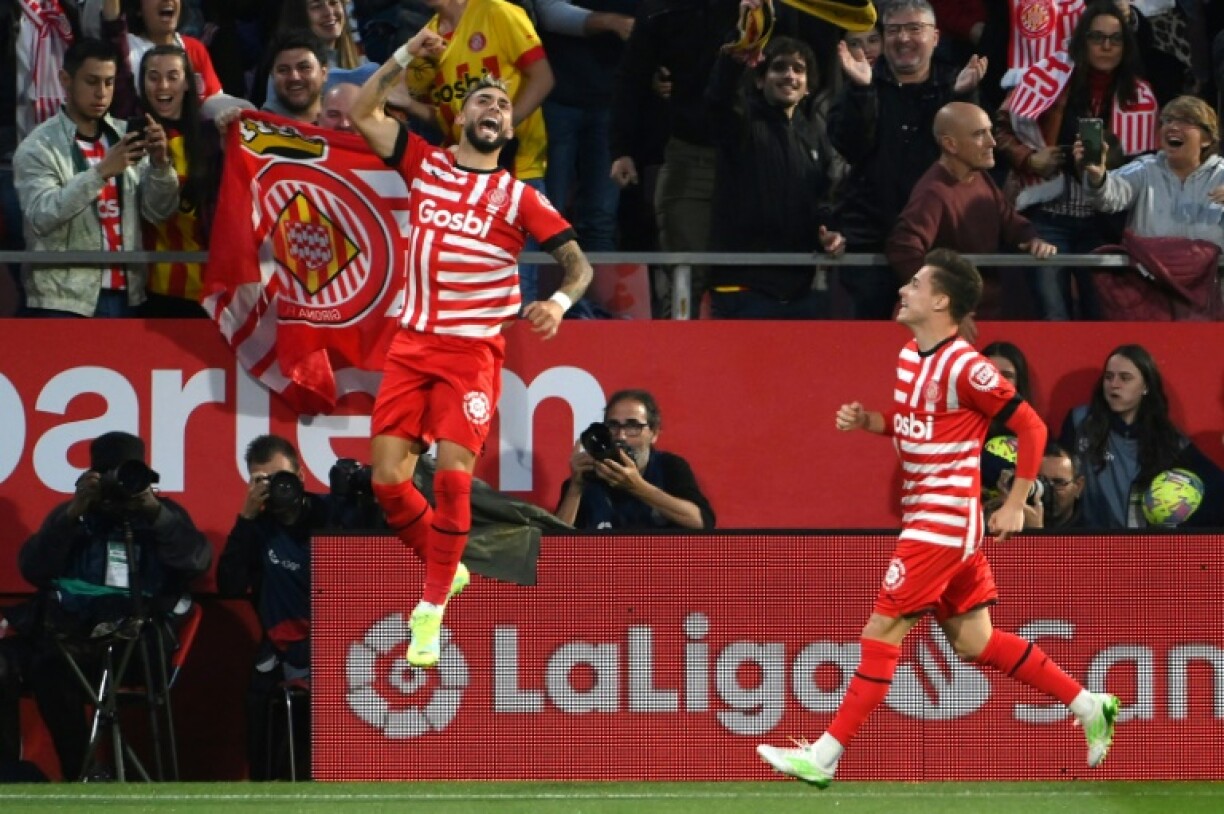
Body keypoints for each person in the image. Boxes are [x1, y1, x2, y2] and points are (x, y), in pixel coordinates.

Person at [756, 248, 1120, 788]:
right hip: (933, 517)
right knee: (974, 639)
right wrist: (871, 422)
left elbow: (1033, 429)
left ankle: (826, 754)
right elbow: (916, 426)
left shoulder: (967, 367)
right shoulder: (909, 355)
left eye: (917, 283)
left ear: (941, 300)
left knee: (883, 627)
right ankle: (1089, 703)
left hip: (943, 522)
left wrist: (1017, 503)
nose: (904, 289)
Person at [350, 31, 593, 669]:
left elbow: (579, 267)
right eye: (485, 100)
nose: (495, 109)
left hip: (472, 354)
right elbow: (360, 113)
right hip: (411, 345)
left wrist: (559, 304)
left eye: (505, 106)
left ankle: (428, 610)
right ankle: (445, 564)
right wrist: (406, 54)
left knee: (455, 477)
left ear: (510, 129)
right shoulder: (425, 164)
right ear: (461, 117)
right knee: (387, 484)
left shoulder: (520, 198)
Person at [18, 431, 211, 781]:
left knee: (126, 651)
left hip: (138, 650)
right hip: (78, 648)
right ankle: (83, 774)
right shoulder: (75, 517)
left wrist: (155, 513)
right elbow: (33, 568)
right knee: (46, 664)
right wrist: (73, 515)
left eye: (127, 476)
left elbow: (196, 560)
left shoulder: (162, 514)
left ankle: (134, 775)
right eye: (108, 477)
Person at [995, 2, 1158, 320]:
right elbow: (1001, 127)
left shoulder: (1142, 96)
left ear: (1126, 45)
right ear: (1082, 41)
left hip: (1103, 224)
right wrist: (1029, 159)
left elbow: (1148, 164)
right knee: (1052, 314)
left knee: (1101, 315)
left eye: (1115, 38)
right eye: (1097, 37)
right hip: (1048, 217)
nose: (1106, 46)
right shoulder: (1046, 75)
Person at [827, 0, 988, 319]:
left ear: (936, 37)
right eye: (894, 30)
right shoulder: (862, 83)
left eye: (915, 29)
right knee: (870, 348)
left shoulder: (954, 84)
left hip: (938, 243)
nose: (903, 38)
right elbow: (850, 147)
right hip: (872, 245)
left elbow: (968, 160)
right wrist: (861, 92)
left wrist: (962, 98)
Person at [399, 0, 557, 306]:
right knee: (473, 285)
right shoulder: (427, 37)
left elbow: (543, 77)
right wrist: (407, 104)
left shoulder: (496, 11)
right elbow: (450, 118)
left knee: (516, 285)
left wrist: (505, 128)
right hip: (463, 182)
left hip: (518, 168)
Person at [13, 36, 180, 317]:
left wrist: (161, 165)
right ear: (65, 80)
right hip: (63, 300)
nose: (102, 93)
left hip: (128, 295)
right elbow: (41, 215)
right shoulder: (37, 147)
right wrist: (101, 172)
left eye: (109, 82)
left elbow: (158, 212)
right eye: (91, 82)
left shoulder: (125, 135)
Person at [704, 30, 845, 319]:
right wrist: (733, 59)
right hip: (742, 289)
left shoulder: (814, 137)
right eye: (779, 67)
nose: (790, 75)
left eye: (799, 69)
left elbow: (823, 198)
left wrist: (827, 230)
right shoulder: (742, 122)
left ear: (808, 86)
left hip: (799, 292)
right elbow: (719, 101)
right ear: (759, 79)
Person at [885, 101, 1056, 319]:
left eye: (990, 132)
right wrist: (946, 308)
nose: (992, 142)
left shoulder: (980, 176)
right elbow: (902, 250)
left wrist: (1031, 238)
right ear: (950, 144)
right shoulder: (933, 193)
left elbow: (1007, 218)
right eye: (979, 134)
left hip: (981, 309)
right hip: (952, 318)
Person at [1058, 344, 1224, 529]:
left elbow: (1216, 487)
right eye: (1109, 377)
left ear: (1145, 386)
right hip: (1086, 543)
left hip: (1146, 548)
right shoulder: (1079, 422)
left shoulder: (1168, 439)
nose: (1114, 384)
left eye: (1125, 378)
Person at [1079, 94, 1224, 252]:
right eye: (1168, 121)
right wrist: (1098, 177)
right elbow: (1108, 197)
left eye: (1185, 121)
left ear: (1207, 139)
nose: (1173, 127)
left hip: (1209, 275)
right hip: (1150, 273)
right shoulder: (1145, 169)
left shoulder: (1221, 174)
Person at [556, 389, 715, 530]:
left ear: (653, 433)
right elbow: (553, 549)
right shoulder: (588, 476)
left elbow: (701, 522)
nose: (621, 436)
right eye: (613, 426)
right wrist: (575, 488)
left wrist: (637, 486)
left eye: (633, 427)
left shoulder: (669, 467)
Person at [256, 0, 377, 116]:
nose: (329, 12)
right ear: (299, 15)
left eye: (334, 2)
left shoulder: (364, 57)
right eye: (316, 6)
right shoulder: (286, 72)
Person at [263, 29, 330, 124]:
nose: (294, 77)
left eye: (304, 67)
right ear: (272, 76)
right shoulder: (258, 127)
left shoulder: (345, 123)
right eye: (283, 70)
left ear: (324, 73)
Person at [1040, 442, 1086, 528]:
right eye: (1042, 481)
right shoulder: (1016, 524)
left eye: (1058, 482)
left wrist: (1035, 531)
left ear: (1078, 487)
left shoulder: (1093, 535)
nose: (1049, 490)